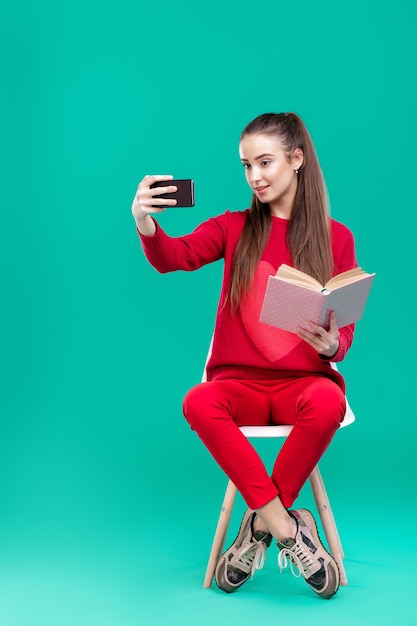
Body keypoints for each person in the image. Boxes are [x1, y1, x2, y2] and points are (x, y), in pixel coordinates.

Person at [131, 112, 357, 600]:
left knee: (328, 402)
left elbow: (346, 331)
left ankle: (255, 526)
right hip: (240, 386)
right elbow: (176, 257)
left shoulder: (335, 237)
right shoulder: (233, 227)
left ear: (296, 161)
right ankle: (288, 530)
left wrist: (332, 345)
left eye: (265, 162)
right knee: (197, 402)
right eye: (246, 165)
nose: (255, 176)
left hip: (302, 384)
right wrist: (145, 223)